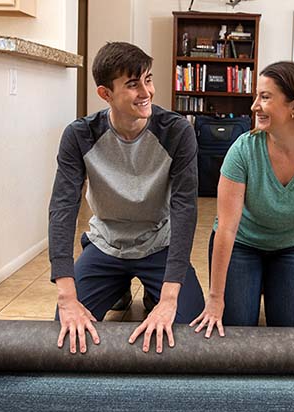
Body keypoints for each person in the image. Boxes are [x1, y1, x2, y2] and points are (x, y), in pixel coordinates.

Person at [48, 42, 204, 355]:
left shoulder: (177, 132)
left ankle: (152, 292)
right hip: (107, 244)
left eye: (147, 80)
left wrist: (169, 298)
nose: (145, 91)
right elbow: (62, 209)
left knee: (187, 333)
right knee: (65, 331)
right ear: (105, 93)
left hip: (159, 243)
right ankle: (117, 286)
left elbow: (184, 209)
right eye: (133, 85)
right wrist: (66, 297)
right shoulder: (80, 135)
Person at [190, 61, 294, 345]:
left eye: (265, 97)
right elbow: (226, 229)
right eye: (257, 96)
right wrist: (215, 299)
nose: (254, 106)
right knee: (236, 331)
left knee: (293, 334)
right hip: (242, 243)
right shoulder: (243, 149)